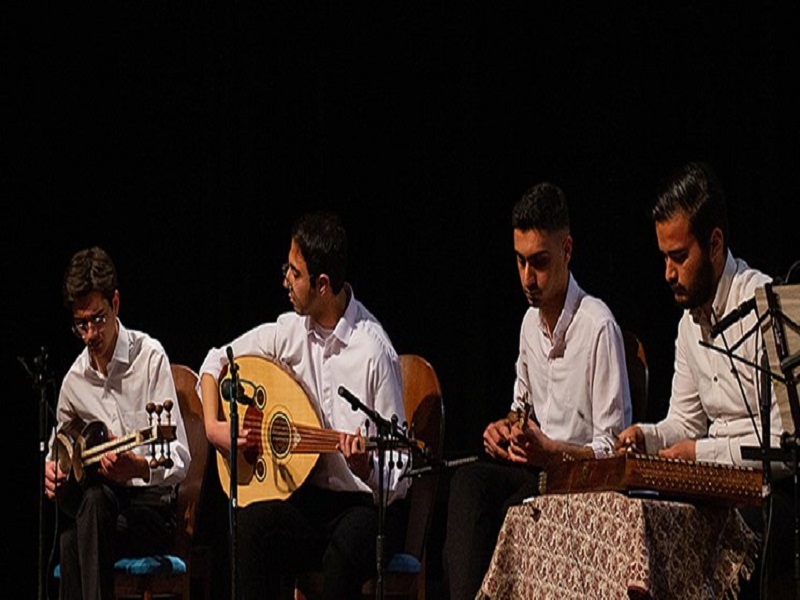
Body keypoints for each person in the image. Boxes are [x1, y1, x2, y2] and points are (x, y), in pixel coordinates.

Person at [198, 210, 410, 599]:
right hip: (312, 501)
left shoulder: (374, 352)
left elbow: (401, 471)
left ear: (322, 284)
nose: (286, 281)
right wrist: (214, 429)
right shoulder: (290, 332)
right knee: (251, 527)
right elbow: (215, 361)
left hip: (369, 508)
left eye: (295, 273)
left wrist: (366, 467)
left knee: (341, 557)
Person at [444, 182, 633, 600]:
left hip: (577, 480)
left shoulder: (598, 327)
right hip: (537, 472)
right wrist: (506, 429)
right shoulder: (530, 324)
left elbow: (613, 450)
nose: (528, 278)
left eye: (540, 262)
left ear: (567, 250)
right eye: (520, 261)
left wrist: (552, 450)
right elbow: (521, 406)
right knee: (468, 483)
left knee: (514, 507)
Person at [614, 161, 793, 599]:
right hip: (721, 494)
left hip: (775, 497)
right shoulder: (687, 326)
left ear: (714, 244)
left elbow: (786, 444)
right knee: (638, 532)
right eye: (664, 258)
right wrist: (648, 438)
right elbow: (685, 422)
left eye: (679, 257)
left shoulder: (765, 306)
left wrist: (700, 453)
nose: (668, 273)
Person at [44, 246, 190, 600]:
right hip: (99, 511)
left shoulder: (149, 358)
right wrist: (51, 470)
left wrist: (139, 466)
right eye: (81, 324)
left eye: (98, 319)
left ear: (116, 304)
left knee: (78, 531)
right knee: (85, 514)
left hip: (150, 510)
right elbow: (57, 447)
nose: (90, 334)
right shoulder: (74, 382)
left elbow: (180, 456)